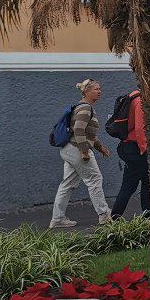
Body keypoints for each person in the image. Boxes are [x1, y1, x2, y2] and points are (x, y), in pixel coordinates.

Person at [51, 79, 112, 228]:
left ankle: (57, 219)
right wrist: (85, 151)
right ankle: (104, 215)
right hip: (77, 150)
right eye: (96, 89)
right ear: (86, 92)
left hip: (68, 149)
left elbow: (87, 133)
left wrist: (99, 146)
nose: (100, 91)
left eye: (100, 89)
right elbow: (79, 130)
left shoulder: (83, 107)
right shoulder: (85, 107)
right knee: (95, 179)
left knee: (67, 184)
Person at [109, 87, 150, 219]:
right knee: (130, 185)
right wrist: (144, 149)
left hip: (128, 146)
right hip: (135, 148)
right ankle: (116, 216)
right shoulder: (140, 101)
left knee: (145, 181)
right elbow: (140, 128)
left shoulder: (132, 96)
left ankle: (148, 214)